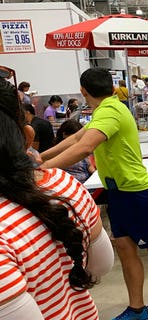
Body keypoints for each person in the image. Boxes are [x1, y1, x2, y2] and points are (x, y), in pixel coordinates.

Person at [40, 67, 148, 320]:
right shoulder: (106, 109)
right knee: (125, 248)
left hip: (135, 192)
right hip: (119, 192)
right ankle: (137, 308)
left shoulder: (110, 111)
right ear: (112, 87)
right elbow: (75, 139)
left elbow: (84, 147)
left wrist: (40, 170)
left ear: (83, 91)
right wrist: (40, 158)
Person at [0, 75, 113, 320]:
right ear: (27, 137)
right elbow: (102, 266)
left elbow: (82, 144)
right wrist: (44, 168)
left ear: (85, 91)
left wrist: (43, 162)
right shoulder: (64, 185)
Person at [55, 119, 96, 183]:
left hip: (86, 183)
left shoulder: (81, 147)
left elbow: (89, 166)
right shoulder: (58, 152)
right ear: (64, 134)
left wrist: (95, 174)